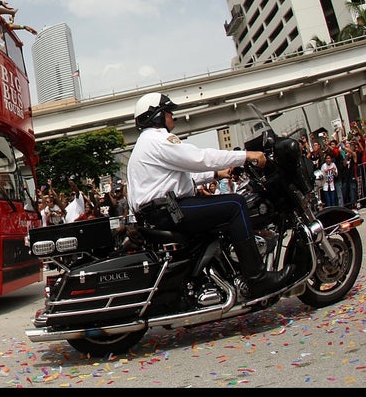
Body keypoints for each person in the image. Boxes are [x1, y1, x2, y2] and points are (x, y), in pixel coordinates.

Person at [126, 91, 294, 298]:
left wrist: (216, 173)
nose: (173, 117)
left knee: (220, 213)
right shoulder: (159, 139)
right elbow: (198, 158)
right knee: (236, 204)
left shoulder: (146, 143)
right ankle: (257, 279)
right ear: (157, 115)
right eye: (169, 112)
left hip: (160, 211)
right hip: (168, 211)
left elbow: (177, 177)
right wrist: (244, 156)